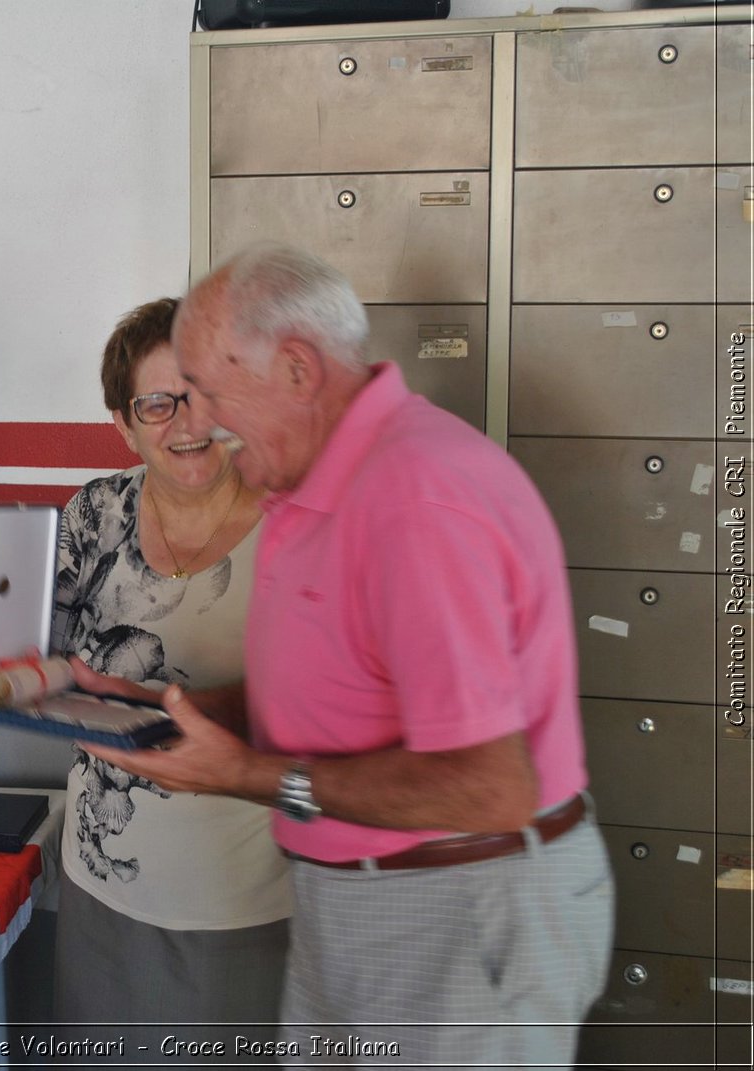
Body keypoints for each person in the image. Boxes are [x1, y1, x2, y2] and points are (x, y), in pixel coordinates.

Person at [79, 243, 613, 1066]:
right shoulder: (311, 481)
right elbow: (328, 692)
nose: (204, 423)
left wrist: (248, 775)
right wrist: (166, 713)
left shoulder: (417, 495)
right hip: (357, 894)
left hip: (458, 901)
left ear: (296, 368)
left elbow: (490, 785)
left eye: (213, 392)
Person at [51, 297, 291, 1044]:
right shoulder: (93, 512)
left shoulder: (301, 525)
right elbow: (39, 661)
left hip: (242, 902)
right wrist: (16, 678)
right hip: (99, 884)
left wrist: (167, 706)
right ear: (123, 423)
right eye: (157, 404)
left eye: (204, 397)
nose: (188, 425)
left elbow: (339, 708)